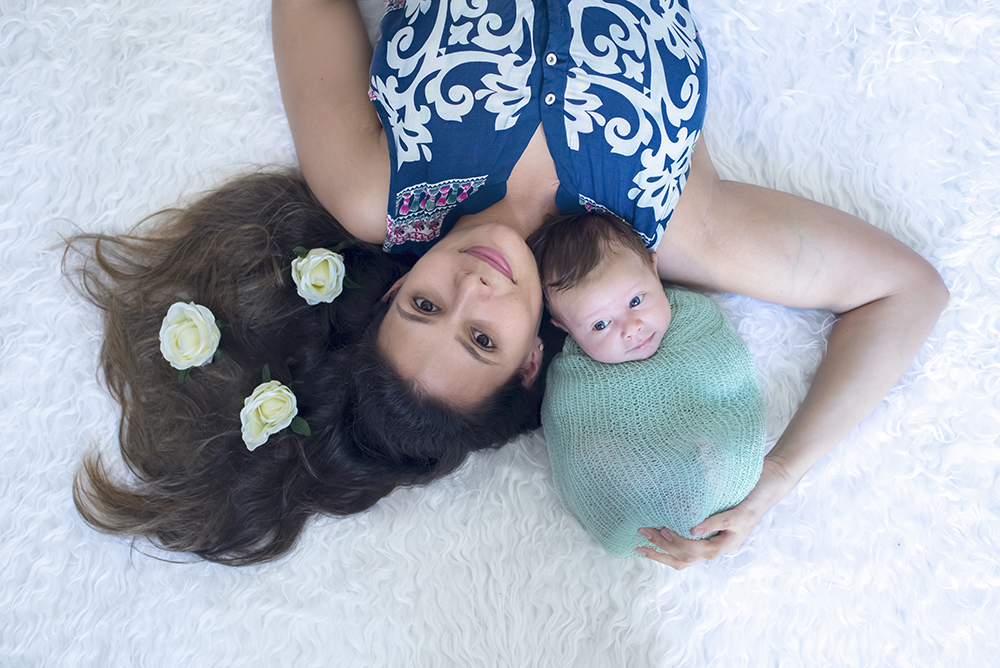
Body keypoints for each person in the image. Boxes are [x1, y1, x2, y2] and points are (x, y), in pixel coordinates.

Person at [69, 0, 946, 568]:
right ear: (531, 360)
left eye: (426, 306)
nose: (471, 288)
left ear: (392, 291)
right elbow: (903, 292)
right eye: (482, 337)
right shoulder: (670, 230)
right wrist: (779, 475)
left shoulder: (372, 190)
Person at [529, 211, 767, 558]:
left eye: (636, 301)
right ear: (565, 329)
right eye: (600, 325)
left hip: (705, 456)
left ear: (654, 269)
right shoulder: (575, 381)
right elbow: (575, 441)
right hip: (635, 482)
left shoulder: (695, 321)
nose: (631, 328)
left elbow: (723, 384)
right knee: (597, 453)